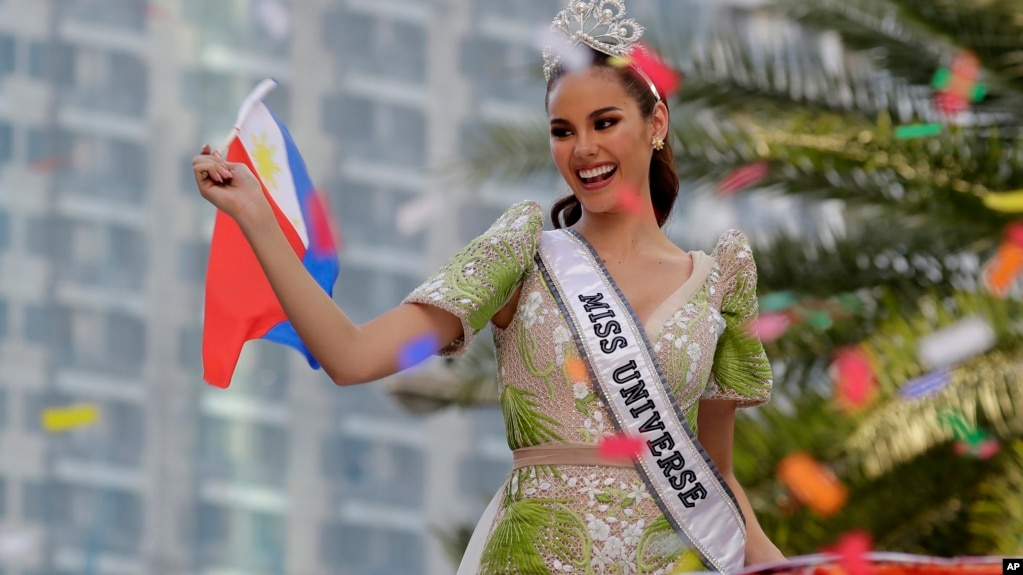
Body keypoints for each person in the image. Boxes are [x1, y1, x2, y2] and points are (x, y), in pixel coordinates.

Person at [193, 1, 786, 572]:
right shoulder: (523, 254)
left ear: (655, 123)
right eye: (562, 130)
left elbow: (716, 475)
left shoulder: (716, 282)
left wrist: (775, 561)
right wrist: (256, 216)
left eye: (605, 122)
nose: (583, 149)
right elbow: (351, 357)